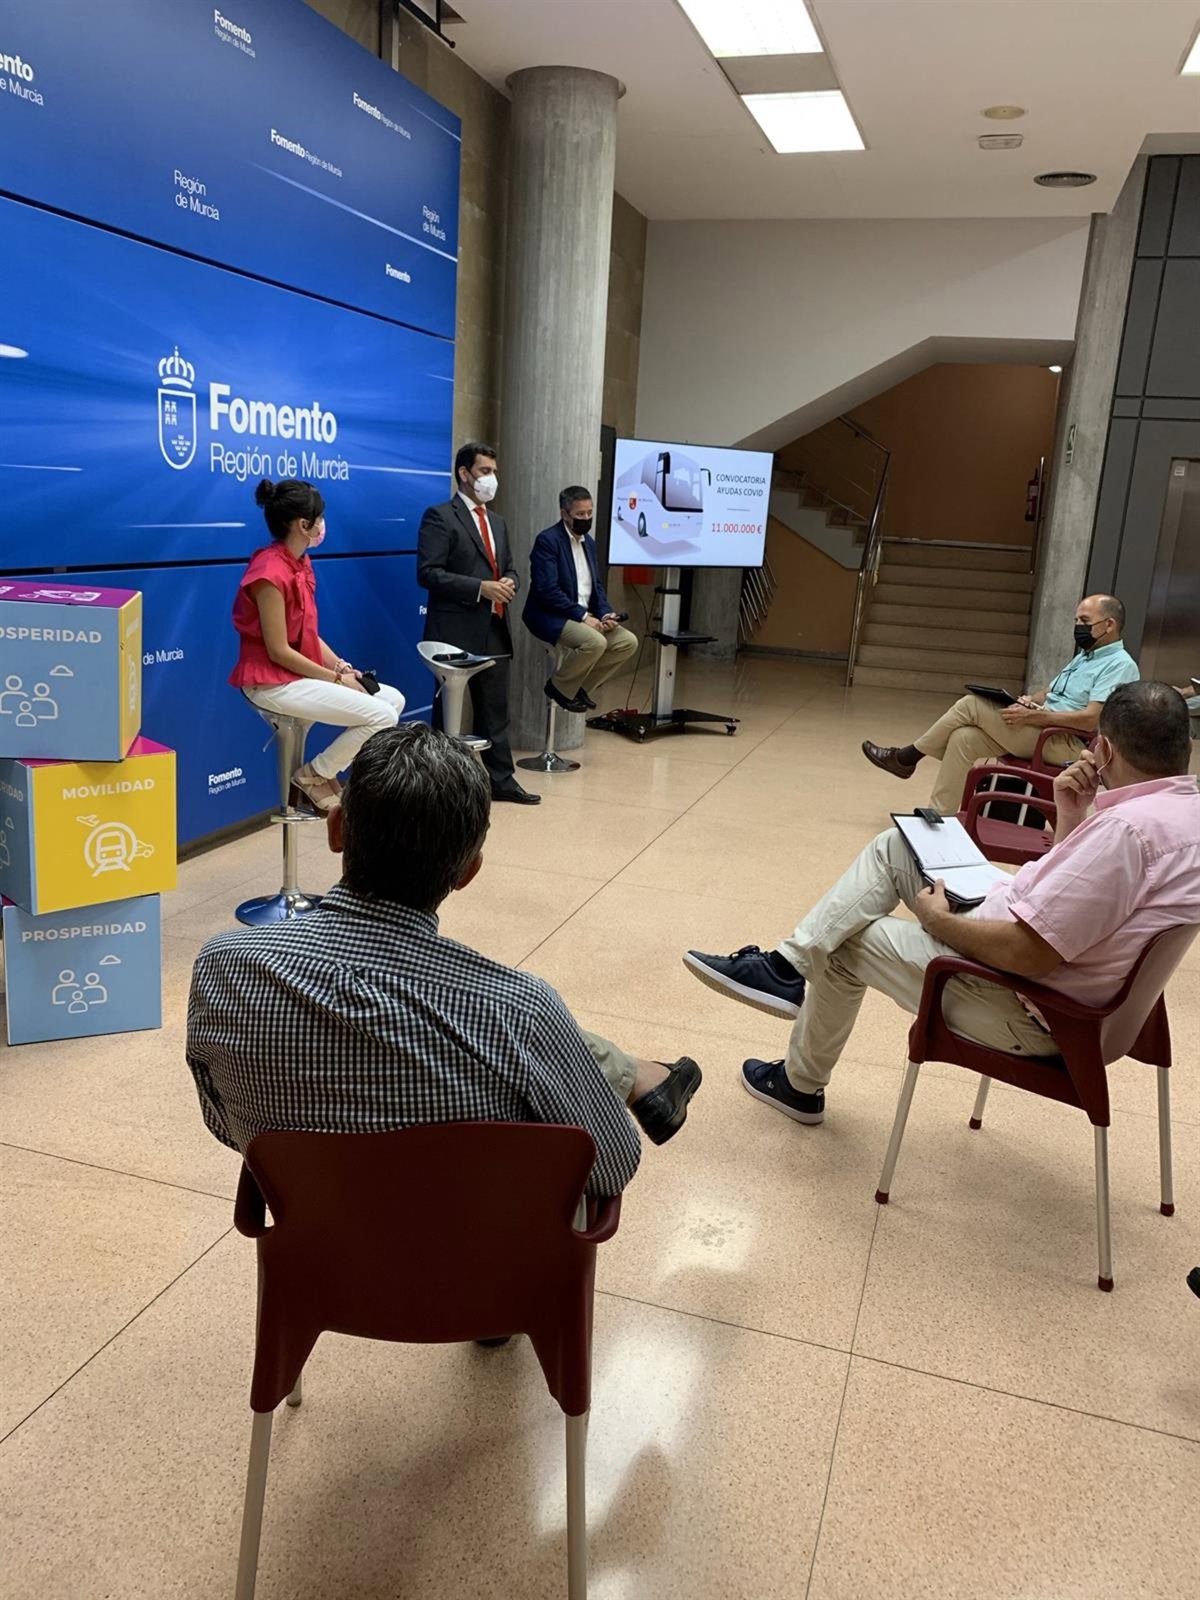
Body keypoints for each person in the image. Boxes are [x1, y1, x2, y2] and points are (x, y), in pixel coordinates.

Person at [186, 723, 702, 1194]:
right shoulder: (521, 1007)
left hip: (313, 1246)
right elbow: (609, 1166)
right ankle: (641, 1077)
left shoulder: (223, 966)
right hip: (481, 1254)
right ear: (468, 872)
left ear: (336, 829)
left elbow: (225, 1122)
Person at [684, 681, 1200, 1126]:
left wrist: (937, 921)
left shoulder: (1126, 832)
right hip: (1074, 986)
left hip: (1028, 1005)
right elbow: (1083, 901)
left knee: (846, 939)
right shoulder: (1182, 815)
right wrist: (1070, 814)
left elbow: (1029, 954)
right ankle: (785, 966)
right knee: (898, 845)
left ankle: (798, 1084)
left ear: (1104, 750)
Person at [862, 594, 1140, 815]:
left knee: (970, 705)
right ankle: (940, 816)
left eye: (1085, 620)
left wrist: (1032, 718)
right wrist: (1029, 701)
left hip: (1065, 742)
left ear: (1109, 625)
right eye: (1076, 620)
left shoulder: (1120, 665)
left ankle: (907, 758)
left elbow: (1091, 719)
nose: (1078, 627)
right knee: (963, 738)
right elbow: (1052, 691)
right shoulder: (1086, 655)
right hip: (1042, 727)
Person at [230, 479, 405, 812]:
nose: (323, 524)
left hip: (297, 676)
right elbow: (279, 650)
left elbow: (307, 633)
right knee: (381, 715)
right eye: (320, 517)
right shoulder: (268, 572)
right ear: (303, 524)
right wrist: (337, 680)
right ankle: (314, 775)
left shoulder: (299, 562)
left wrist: (341, 667)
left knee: (392, 700)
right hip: (270, 682)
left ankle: (322, 773)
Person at [417, 443, 538, 806]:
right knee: (449, 715)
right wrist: (479, 588)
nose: (491, 479)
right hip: (454, 632)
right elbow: (428, 573)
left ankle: (502, 780)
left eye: (494, 472)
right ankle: (442, 785)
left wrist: (511, 581)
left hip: (494, 627)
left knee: (495, 710)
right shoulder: (440, 516)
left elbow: (509, 567)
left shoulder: (498, 522)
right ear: (464, 474)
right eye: (485, 471)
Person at [523, 486, 639, 714]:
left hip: (585, 615)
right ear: (564, 514)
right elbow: (547, 590)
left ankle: (579, 688)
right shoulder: (548, 541)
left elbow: (596, 586)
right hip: (551, 615)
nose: (586, 518)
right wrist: (584, 617)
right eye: (580, 514)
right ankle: (558, 687)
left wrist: (605, 614)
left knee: (628, 642)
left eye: (589, 513)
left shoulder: (590, 543)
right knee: (595, 642)